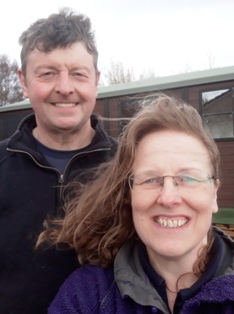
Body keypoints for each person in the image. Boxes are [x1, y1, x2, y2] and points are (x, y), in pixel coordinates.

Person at [37, 94, 234, 313]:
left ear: (214, 193)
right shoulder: (87, 294)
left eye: (187, 178)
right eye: (150, 179)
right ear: (129, 195)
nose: (168, 198)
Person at [0, 8, 117, 314]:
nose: (65, 87)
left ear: (95, 80)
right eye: (48, 73)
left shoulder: (131, 167)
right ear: (24, 81)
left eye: (78, 73)